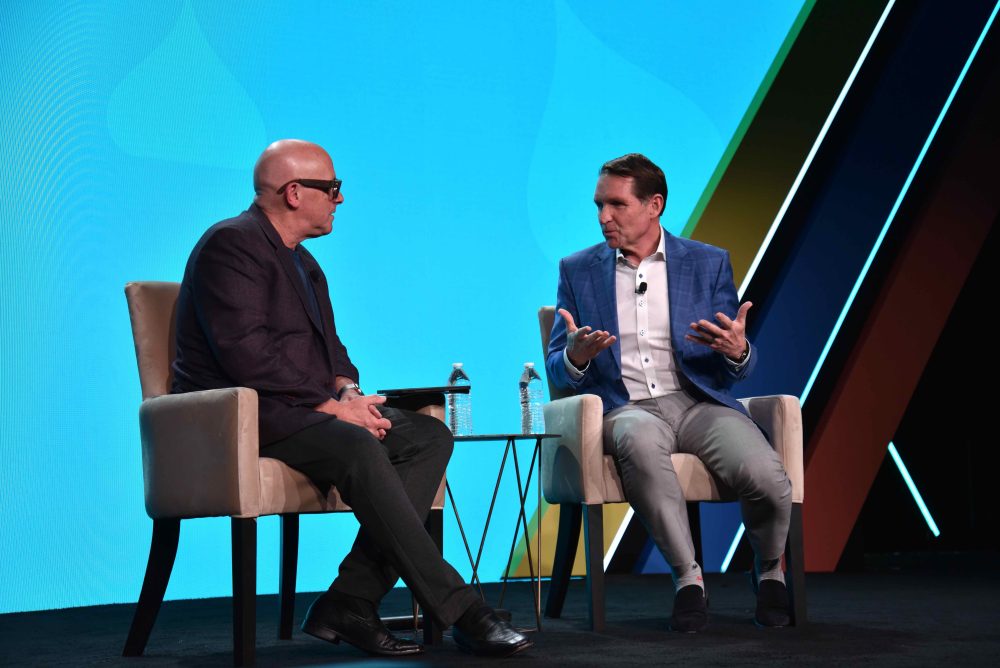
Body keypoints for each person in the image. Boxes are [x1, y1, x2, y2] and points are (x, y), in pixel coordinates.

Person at [171, 139, 531, 658]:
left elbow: (333, 351)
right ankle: (463, 610)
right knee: (357, 444)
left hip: (300, 411)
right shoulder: (230, 245)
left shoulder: (304, 263)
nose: (340, 198)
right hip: (239, 417)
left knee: (428, 435)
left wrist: (348, 393)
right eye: (333, 188)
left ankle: (350, 600)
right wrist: (333, 409)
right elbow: (246, 354)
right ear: (295, 193)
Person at [545, 153, 792, 632]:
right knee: (638, 440)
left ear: (654, 205)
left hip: (699, 404)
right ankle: (688, 579)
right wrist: (575, 356)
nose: (603, 217)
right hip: (626, 407)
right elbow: (558, 366)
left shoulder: (707, 262)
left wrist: (738, 351)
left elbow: (737, 362)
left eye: (616, 205)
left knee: (765, 474)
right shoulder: (577, 270)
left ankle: (769, 569)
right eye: (598, 205)